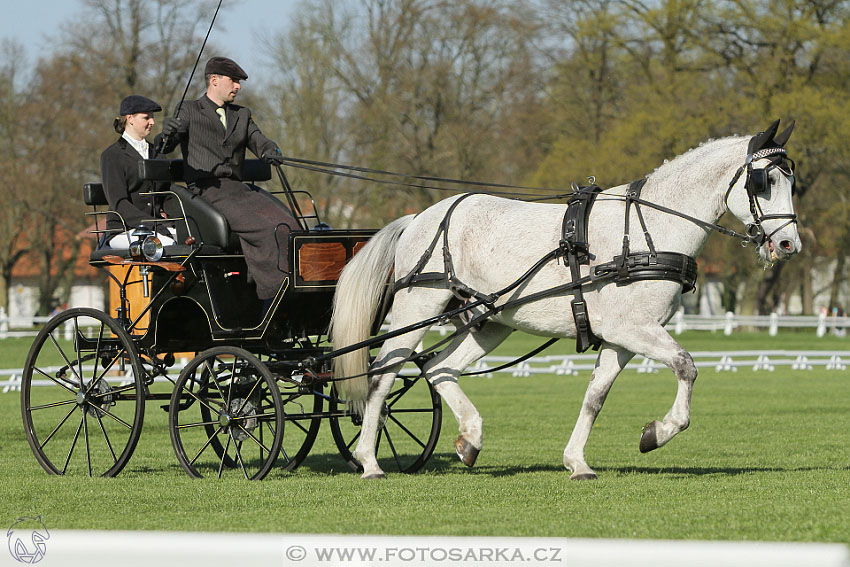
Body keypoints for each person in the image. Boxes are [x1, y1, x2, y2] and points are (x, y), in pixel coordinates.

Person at [159, 56, 295, 301]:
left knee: (289, 225)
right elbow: (167, 145)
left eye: (239, 82)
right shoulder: (189, 110)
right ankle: (272, 291)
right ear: (214, 80)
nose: (238, 87)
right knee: (268, 228)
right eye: (234, 81)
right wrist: (165, 135)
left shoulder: (242, 115)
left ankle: (290, 285)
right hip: (206, 192)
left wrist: (270, 149)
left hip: (239, 191)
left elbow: (258, 140)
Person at [100, 95, 176, 248]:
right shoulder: (112, 156)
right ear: (130, 118)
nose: (152, 122)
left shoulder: (157, 154)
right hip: (124, 229)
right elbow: (119, 203)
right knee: (168, 245)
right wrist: (152, 225)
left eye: (152, 118)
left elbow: (166, 196)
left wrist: (186, 220)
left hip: (156, 227)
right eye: (146, 118)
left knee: (194, 240)